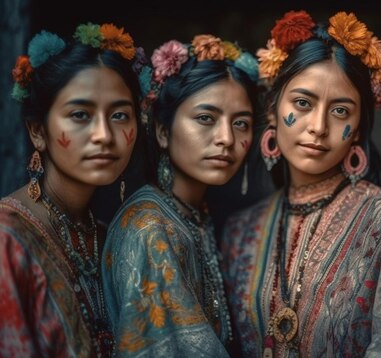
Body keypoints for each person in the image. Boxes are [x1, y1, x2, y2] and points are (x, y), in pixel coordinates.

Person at [221, 10, 381, 357]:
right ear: (272, 110)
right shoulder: (240, 233)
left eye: (340, 110)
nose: (318, 127)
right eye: (303, 103)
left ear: (358, 128)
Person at [101, 34, 259, 357]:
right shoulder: (149, 227)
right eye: (206, 119)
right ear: (162, 130)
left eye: (241, 123)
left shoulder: (194, 213)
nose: (227, 138)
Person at [0, 23, 143, 357]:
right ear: (38, 131)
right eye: (80, 114)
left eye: (120, 115)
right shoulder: (8, 238)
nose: (104, 135)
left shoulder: (110, 237)